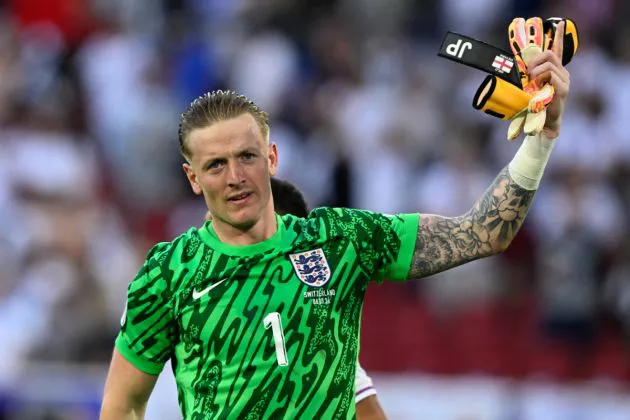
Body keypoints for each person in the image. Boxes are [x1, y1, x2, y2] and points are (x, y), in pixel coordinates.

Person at [100, 21, 570, 420]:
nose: (236, 177)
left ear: (273, 157)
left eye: (247, 157)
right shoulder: (168, 273)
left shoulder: (339, 241)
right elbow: (121, 406)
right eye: (215, 165)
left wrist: (541, 139)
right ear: (193, 179)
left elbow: (483, 232)